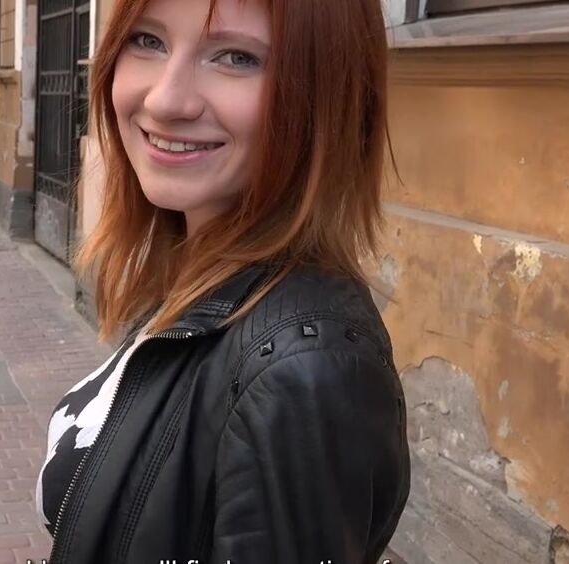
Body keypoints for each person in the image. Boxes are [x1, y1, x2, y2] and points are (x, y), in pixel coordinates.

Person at [35, 0, 410, 562]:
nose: (165, 100)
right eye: (147, 41)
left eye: (237, 57)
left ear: (325, 94)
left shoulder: (304, 372)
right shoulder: (200, 276)